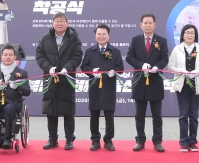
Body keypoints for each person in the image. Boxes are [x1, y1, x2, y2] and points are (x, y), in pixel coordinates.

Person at [35, 12, 83, 150]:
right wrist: (48, 68)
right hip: (50, 79)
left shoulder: (74, 38)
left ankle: (69, 139)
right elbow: (39, 55)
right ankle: (52, 139)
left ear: (67, 23)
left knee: (68, 110)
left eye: (62, 21)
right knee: (51, 110)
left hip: (66, 78)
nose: (59, 23)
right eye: (57, 20)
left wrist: (67, 67)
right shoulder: (45, 38)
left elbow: (77, 56)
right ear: (53, 23)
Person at [126, 13, 170, 152]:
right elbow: (129, 57)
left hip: (155, 81)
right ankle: (140, 140)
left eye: (150, 23)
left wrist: (157, 67)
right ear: (141, 25)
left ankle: (157, 141)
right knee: (139, 115)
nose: (148, 25)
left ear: (154, 25)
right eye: (145, 23)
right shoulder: (135, 40)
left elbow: (165, 58)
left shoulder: (161, 41)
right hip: (139, 80)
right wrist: (141, 65)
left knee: (157, 115)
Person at [80, 23, 124, 151]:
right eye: (98, 34)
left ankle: (108, 140)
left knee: (109, 116)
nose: (101, 36)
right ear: (95, 36)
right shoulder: (90, 51)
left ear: (108, 35)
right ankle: (95, 140)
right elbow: (84, 67)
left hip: (109, 88)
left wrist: (114, 72)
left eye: (104, 34)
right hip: (94, 87)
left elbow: (120, 68)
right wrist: (91, 72)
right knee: (94, 115)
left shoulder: (115, 51)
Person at [167, 24, 199, 152]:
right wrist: (182, 71)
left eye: (192, 32)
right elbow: (170, 66)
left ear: (195, 35)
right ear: (183, 35)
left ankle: (193, 141)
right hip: (182, 85)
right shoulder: (177, 49)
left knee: (194, 114)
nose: (190, 35)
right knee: (183, 114)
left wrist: (194, 73)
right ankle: (184, 141)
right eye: (187, 32)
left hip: (197, 84)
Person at [0, 44, 31, 149]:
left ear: (15, 57)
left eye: (10, 55)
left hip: (13, 102)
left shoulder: (22, 72)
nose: (8, 57)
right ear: (1, 57)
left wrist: (17, 87)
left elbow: (27, 91)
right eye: (5, 55)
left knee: (9, 108)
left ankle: (7, 138)